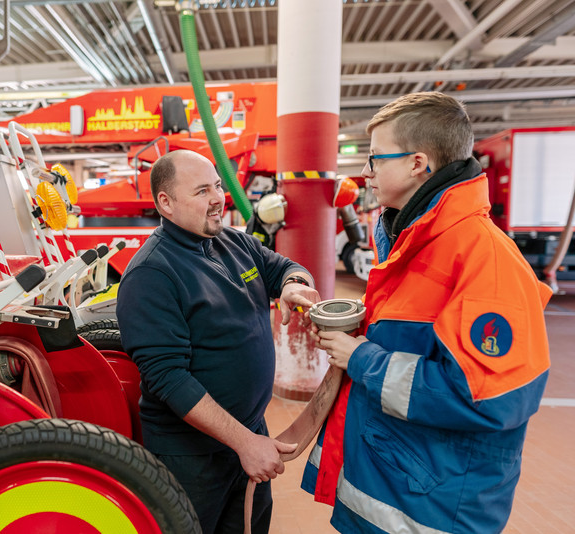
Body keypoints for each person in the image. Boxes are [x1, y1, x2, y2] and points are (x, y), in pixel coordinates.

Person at [301, 92, 552, 533]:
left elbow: (489, 400)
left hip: (433, 510)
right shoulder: (413, 244)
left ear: (418, 163)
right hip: (397, 490)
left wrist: (359, 357)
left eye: (376, 158)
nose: (365, 171)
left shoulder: (485, 260)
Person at [116, 149, 321, 533]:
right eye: (201, 191)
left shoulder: (232, 242)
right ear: (166, 203)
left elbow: (284, 267)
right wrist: (245, 443)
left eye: (218, 186)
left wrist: (294, 287)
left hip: (247, 436)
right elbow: (168, 379)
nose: (217, 198)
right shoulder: (151, 274)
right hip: (191, 458)